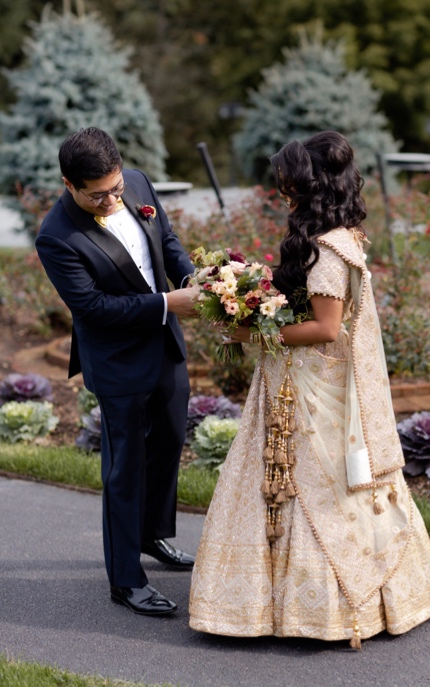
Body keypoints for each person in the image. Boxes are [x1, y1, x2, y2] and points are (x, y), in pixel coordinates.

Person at [188, 131, 430, 646]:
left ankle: (331, 608)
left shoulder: (328, 250)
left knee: (318, 487)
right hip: (300, 379)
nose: (283, 190)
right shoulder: (338, 235)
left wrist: (256, 331)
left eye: (288, 181)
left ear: (309, 183)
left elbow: (328, 328)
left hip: (313, 388)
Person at [35, 128, 201, 616]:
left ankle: (152, 536)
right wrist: (170, 302)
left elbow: (165, 242)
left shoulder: (139, 183)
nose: (111, 199)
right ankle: (126, 580)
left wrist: (192, 276)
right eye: (97, 194)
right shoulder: (56, 237)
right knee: (125, 468)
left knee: (170, 440)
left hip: (165, 344)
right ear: (69, 184)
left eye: (116, 189)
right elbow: (93, 307)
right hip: (117, 362)